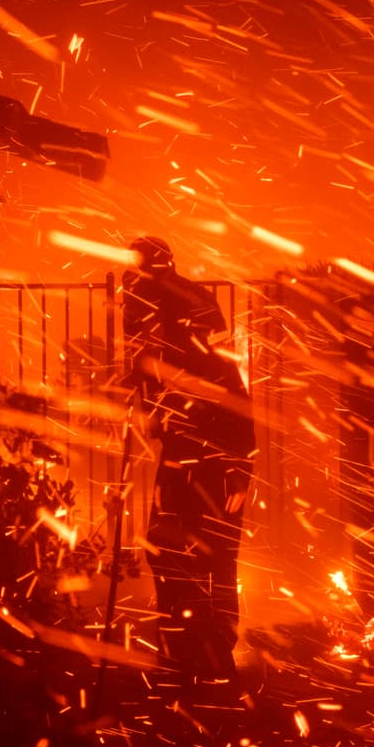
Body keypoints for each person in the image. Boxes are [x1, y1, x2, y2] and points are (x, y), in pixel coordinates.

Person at [122, 237, 255, 682]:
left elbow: (237, 413)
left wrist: (239, 472)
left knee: (208, 556)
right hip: (186, 461)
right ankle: (186, 643)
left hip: (211, 463)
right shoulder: (163, 334)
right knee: (176, 552)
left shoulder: (195, 348)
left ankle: (206, 646)